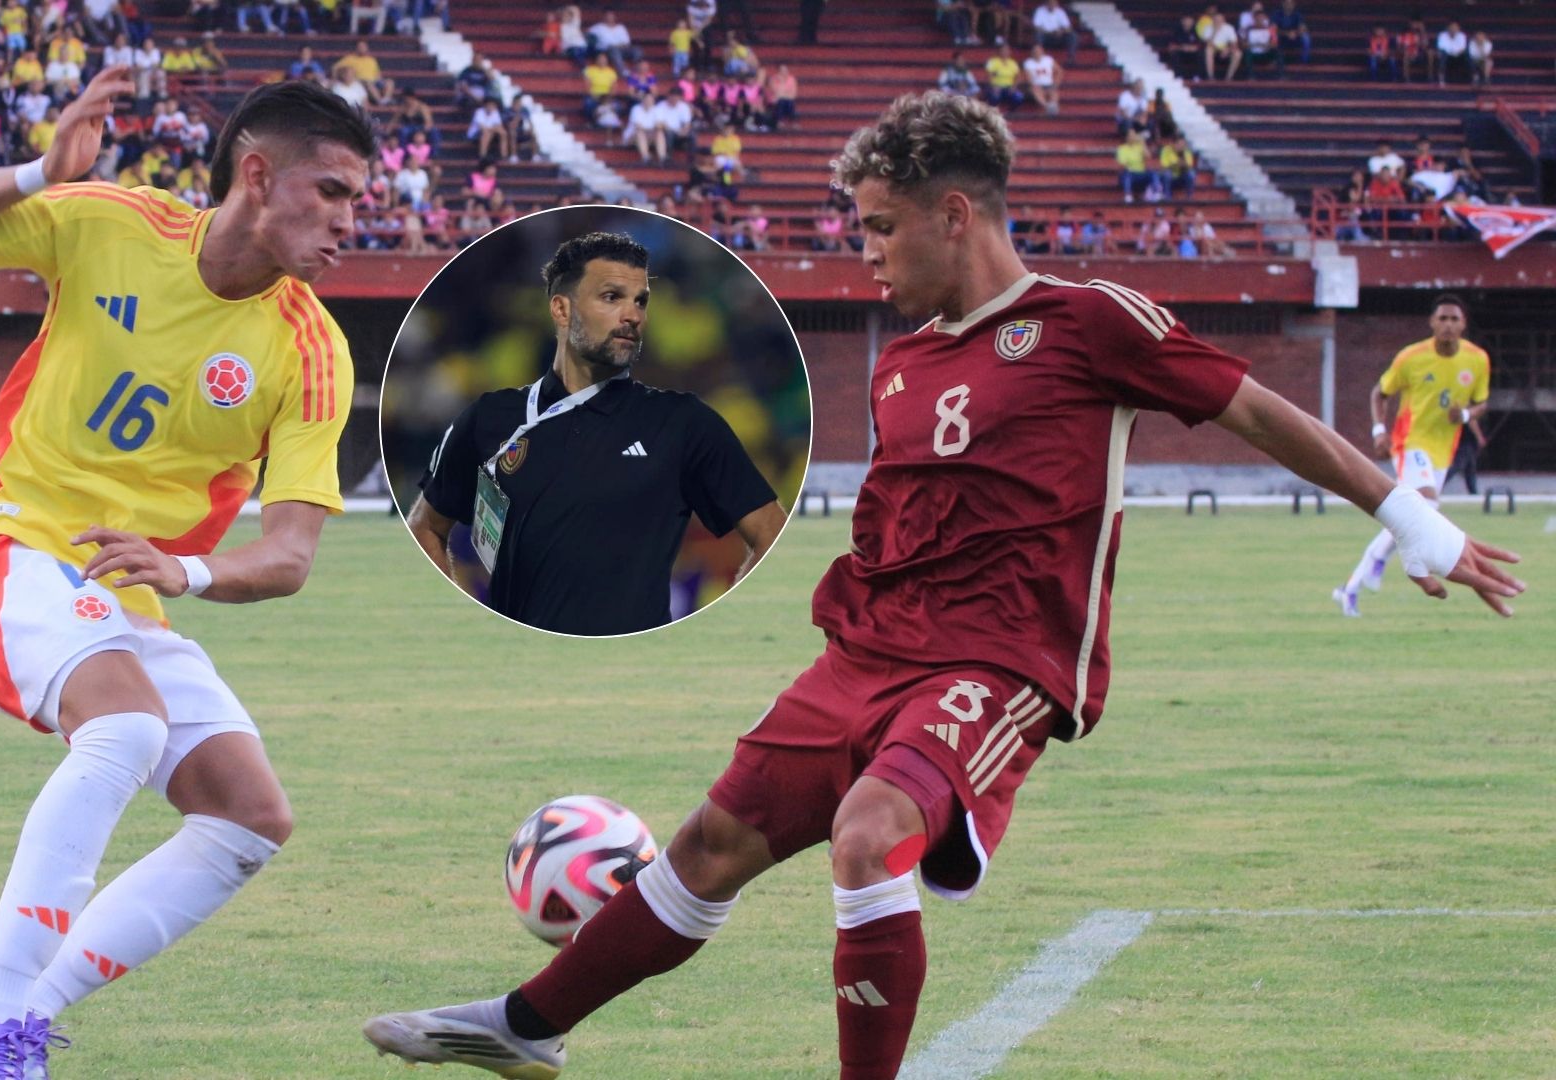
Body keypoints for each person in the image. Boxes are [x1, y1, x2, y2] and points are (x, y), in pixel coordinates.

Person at [362, 90, 1521, 1080]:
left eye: (878, 229)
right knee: (711, 842)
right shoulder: (909, 360)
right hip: (868, 651)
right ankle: (526, 1028)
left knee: (873, 835)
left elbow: (1263, 412)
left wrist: (1418, 527)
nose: (864, 251)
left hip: (998, 658)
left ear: (952, 214)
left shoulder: (1087, 323)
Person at [0, 72, 372, 1079]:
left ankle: (3, 1024)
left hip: (126, 593)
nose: (349, 222)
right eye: (332, 193)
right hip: (12, 544)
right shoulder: (110, 224)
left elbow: (287, 558)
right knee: (129, 726)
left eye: (358, 201)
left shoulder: (314, 349)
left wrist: (184, 573)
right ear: (257, 173)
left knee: (249, 817)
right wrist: (34, 173)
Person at [402, 231, 786, 636]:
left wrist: (709, 633)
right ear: (561, 309)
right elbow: (425, 526)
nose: (632, 315)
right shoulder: (488, 417)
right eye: (611, 297)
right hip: (522, 669)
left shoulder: (684, 422)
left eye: (640, 301)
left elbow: (772, 533)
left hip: (635, 670)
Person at [1334, 295, 1492, 617]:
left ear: (1464, 324)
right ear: (1432, 323)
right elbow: (1380, 392)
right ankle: (1377, 562)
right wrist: (1379, 431)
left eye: (1454, 319)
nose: (1448, 325)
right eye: (1442, 319)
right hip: (1410, 442)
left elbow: (1481, 403)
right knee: (1426, 504)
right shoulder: (1412, 357)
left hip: (1442, 450)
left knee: (1412, 515)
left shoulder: (1477, 360)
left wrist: (1464, 417)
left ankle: (1350, 587)